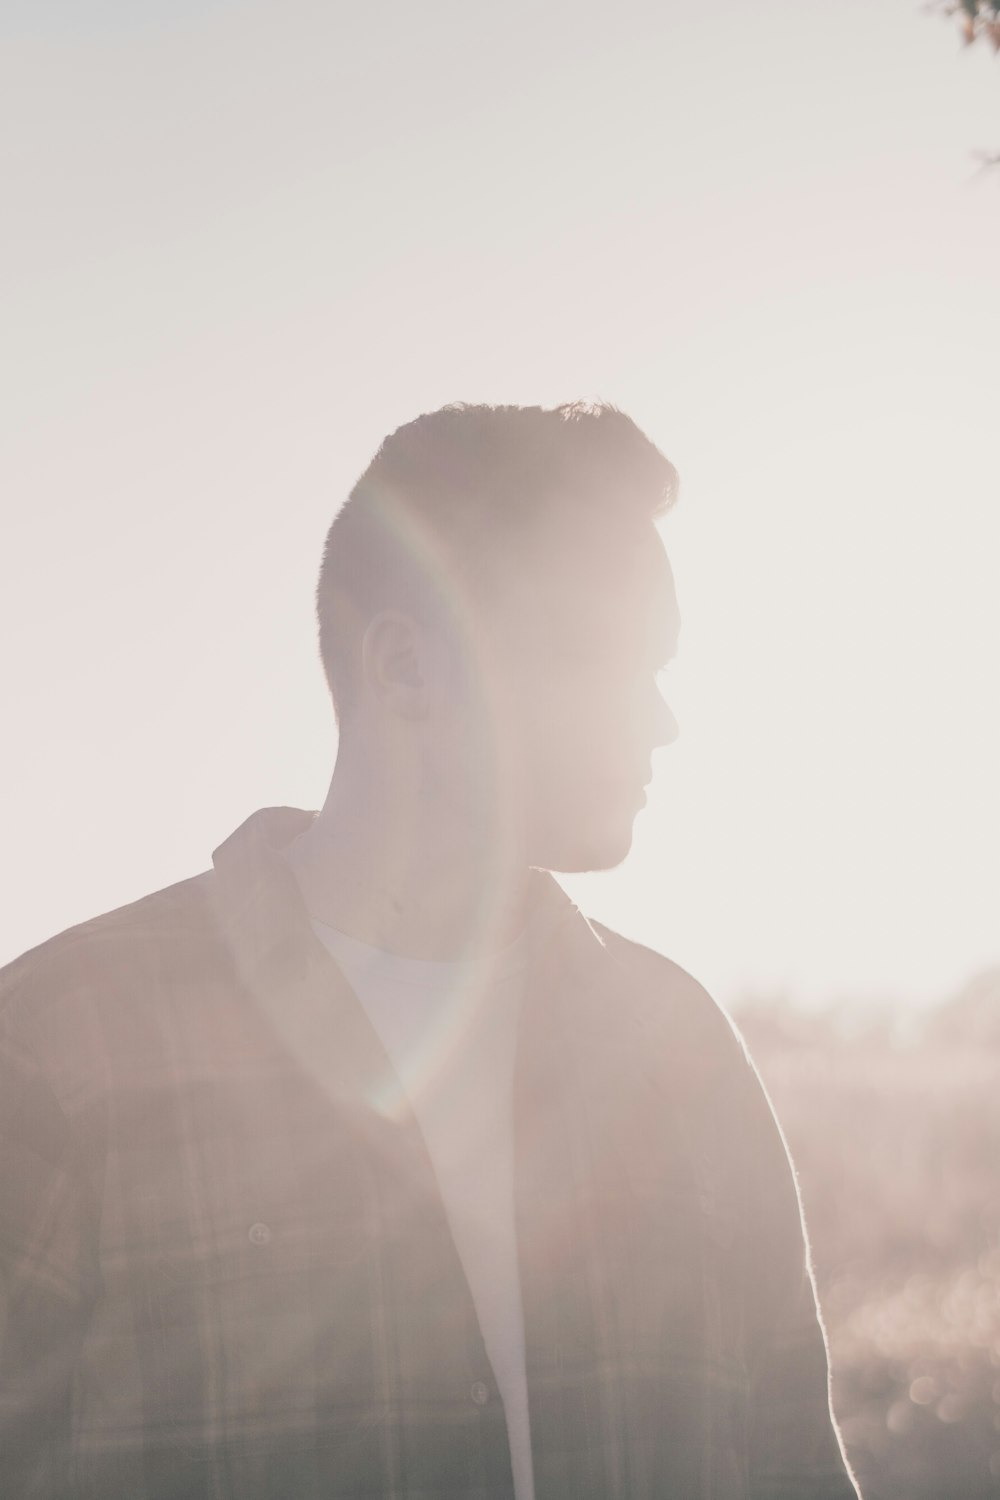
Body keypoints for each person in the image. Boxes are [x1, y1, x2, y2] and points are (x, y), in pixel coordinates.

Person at [0, 402, 860, 1499]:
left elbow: (791, 1469)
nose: (662, 721)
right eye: (607, 655)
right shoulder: (58, 1051)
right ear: (406, 668)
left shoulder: (679, 1053)